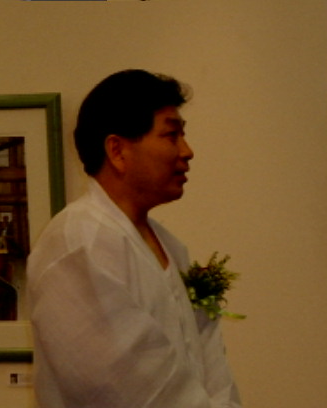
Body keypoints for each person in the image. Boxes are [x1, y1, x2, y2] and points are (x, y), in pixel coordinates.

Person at [27, 69, 242, 408]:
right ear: (117, 150)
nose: (187, 151)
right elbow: (126, 385)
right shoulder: (79, 242)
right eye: (171, 136)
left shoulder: (170, 245)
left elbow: (212, 364)